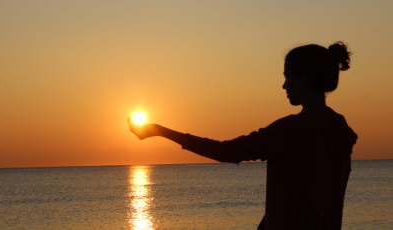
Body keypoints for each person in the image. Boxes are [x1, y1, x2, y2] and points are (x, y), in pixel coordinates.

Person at [127, 41, 358, 230]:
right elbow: (306, 196)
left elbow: (228, 151)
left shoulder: (295, 128)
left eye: (287, 77)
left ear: (303, 79)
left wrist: (159, 131)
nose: (284, 85)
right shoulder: (339, 130)